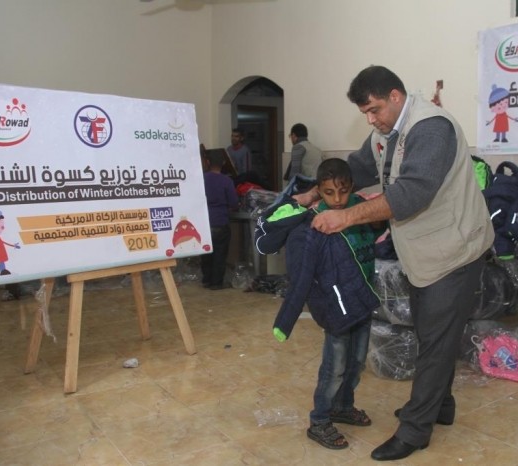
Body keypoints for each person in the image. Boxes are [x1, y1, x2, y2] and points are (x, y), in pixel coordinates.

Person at [305, 65, 495, 461]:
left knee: (435, 342)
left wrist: (346, 216)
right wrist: (312, 194)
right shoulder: (384, 131)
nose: (370, 120)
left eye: (374, 110)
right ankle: (440, 406)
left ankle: (415, 430)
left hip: (455, 251)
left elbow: (411, 193)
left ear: (396, 96)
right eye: (365, 114)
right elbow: (355, 169)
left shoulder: (431, 128)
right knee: (432, 335)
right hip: (425, 253)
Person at [254, 158, 383, 450]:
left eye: (343, 191)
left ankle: (343, 406)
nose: (337, 200)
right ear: (319, 191)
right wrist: (303, 199)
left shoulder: (358, 210)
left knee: (357, 362)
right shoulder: (313, 222)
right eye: (328, 193)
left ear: (352, 187)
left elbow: (375, 232)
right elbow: (272, 233)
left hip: (363, 299)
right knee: (334, 368)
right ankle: (320, 420)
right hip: (335, 307)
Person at [201, 150, 239, 290]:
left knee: (206, 253)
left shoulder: (200, 179)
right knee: (220, 253)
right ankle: (216, 283)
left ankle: (206, 280)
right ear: (223, 163)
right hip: (220, 222)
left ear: (207, 162)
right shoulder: (226, 181)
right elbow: (234, 203)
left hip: (204, 222)